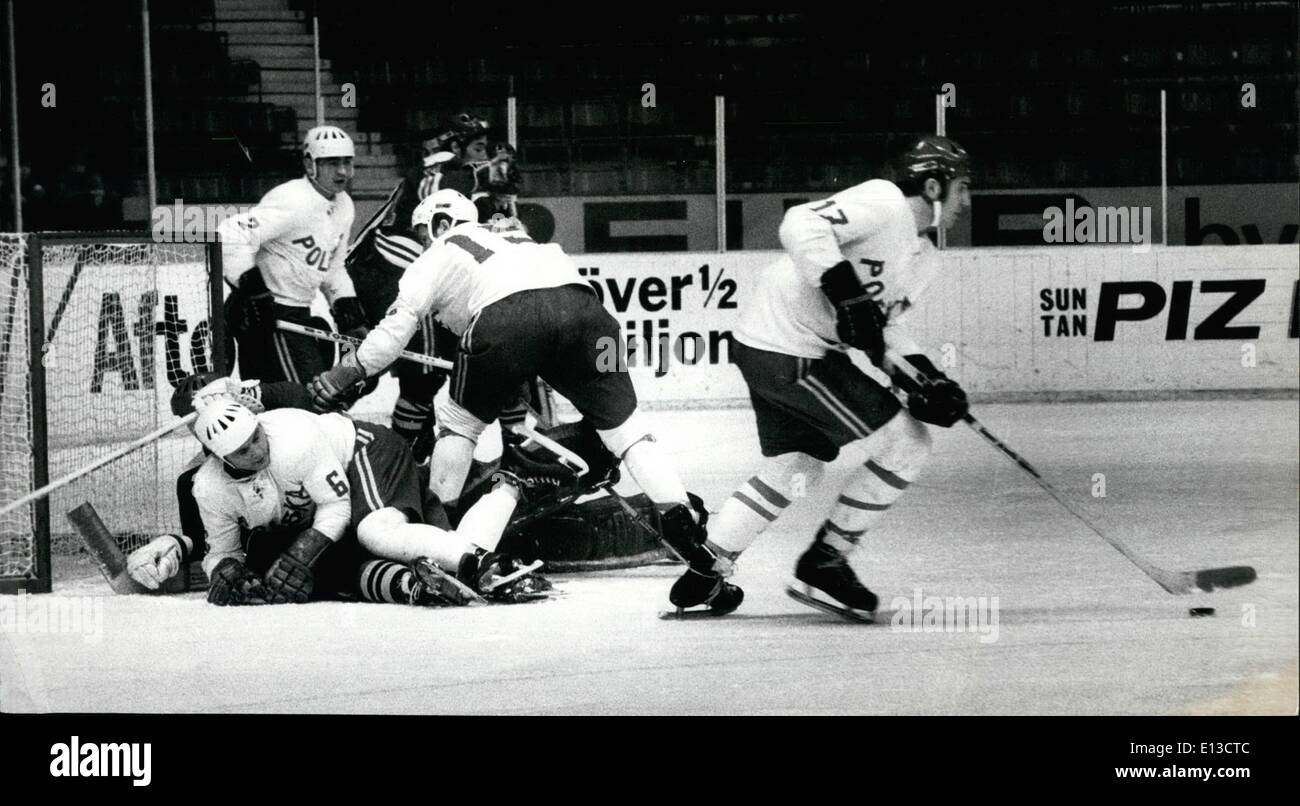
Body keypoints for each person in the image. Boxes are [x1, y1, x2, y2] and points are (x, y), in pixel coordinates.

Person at [307, 188, 737, 611]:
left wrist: (345, 373)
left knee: (458, 426)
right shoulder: (522, 239)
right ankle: (685, 527)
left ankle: (440, 537)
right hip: (591, 317)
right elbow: (551, 312)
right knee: (628, 431)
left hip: (505, 322)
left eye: (422, 234)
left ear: (439, 224)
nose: (421, 244)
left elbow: (393, 336)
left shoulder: (437, 252)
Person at [683, 135, 973, 620]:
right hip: (789, 348)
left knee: (795, 467)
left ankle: (704, 569)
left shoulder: (924, 258)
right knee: (908, 445)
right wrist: (845, 291)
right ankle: (825, 562)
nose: (967, 201)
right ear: (932, 185)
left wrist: (927, 380)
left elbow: (883, 329)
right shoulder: (884, 203)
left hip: (773, 345)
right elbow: (802, 222)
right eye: (963, 188)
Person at [131, 396, 552, 607]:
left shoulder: (293, 437)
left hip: (364, 453)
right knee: (424, 543)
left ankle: (485, 566)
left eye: (256, 436)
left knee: (377, 532)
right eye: (242, 451)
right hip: (326, 503)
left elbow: (336, 508)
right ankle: (504, 489)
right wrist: (224, 569)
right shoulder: (207, 488)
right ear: (219, 459)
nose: (257, 450)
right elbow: (222, 549)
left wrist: (301, 552)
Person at [217, 125, 368, 384]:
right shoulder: (294, 199)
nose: (343, 171)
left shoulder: (344, 205)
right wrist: (253, 289)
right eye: (332, 163)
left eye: (347, 162)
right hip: (267, 315)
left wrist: (346, 306)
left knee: (291, 401)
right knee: (306, 400)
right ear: (311, 165)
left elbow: (333, 266)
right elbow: (229, 233)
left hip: (295, 314)